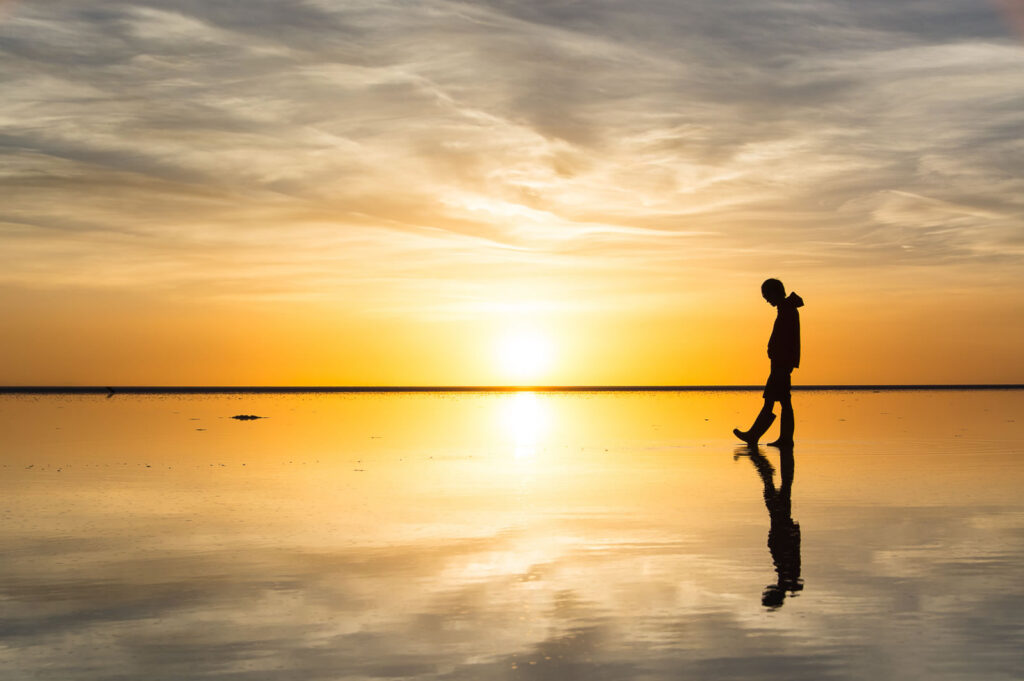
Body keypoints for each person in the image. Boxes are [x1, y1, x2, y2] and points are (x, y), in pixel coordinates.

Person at [733, 278, 803, 447]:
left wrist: (782, 360)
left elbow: (788, 341)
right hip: (781, 363)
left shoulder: (788, 310)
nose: (766, 300)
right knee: (779, 400)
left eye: (767, 295)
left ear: (775, 292)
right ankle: (774, 437)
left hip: (782, 364)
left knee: (776, 400)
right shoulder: (786, 309)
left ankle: (761, 436)